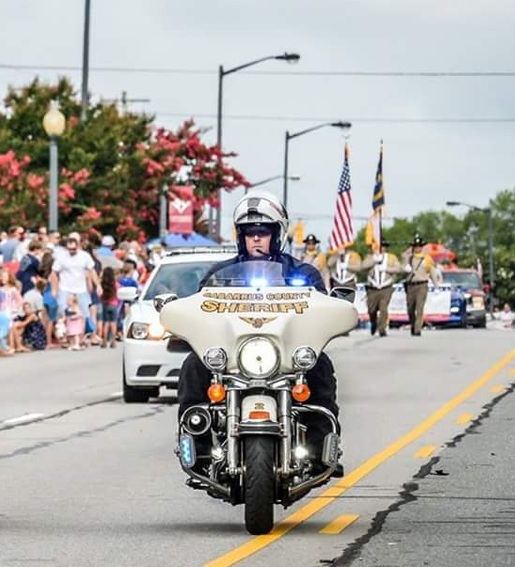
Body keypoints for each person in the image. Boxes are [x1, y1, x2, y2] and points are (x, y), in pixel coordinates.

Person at [178, 190, 343, 477]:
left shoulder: (303, 274)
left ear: (277, 235)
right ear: (240, 236)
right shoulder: (219, 276)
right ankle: (198, 447)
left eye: (263, 232)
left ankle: (321, 449)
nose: (256, 238)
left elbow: (322, 310)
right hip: (233, 359)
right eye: (249, 233)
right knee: (193, 365)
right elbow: (199, 311)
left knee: (320, 366)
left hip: (286, 358)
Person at [361, 238, 402, 337]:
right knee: (371, 309)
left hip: (386, 287)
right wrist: (374, 261)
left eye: (383, 247)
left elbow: (398, 269)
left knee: (383, 308)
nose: (381, 249)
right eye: (379, 247)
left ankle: (382, 328)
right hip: (373, 288)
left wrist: (387, 269)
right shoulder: (370, 256)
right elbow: (363, 266)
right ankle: (374, 322)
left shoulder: (391, 257)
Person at [402, 234, 441, 336]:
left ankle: (418, 329)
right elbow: (402, 268)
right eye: (415, 246)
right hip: (411, 285)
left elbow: (432, 272)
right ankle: (413, 324)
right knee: (410, 308)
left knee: (419, 308)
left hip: (422, 285)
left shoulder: (427, 259)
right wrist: (405, 267)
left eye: (419, 246)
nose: (417, 248)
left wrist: (436, 285)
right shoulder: (409, 258)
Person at [100, 266, 119, 348]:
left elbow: (100, 294)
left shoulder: (103, 284)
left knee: (106, 323)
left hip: (106, 304)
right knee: (113, 323)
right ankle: (113, 341)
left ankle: (104, 340)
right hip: (114, 305)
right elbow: (119, 293)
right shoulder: (116, 284)